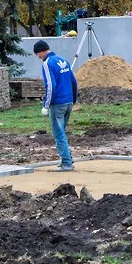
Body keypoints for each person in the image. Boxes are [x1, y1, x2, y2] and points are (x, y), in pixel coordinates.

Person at [33, 39, 78, 171]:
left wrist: (46, 105)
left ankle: (66, 163)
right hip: (68, 101)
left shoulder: (47, 63)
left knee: (58, 134)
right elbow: (73, 81)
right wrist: (73, 99)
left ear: (42, 51)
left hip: (57, 103)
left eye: (38, 54)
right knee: (62, 132)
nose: (38, 57)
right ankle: (68, 157)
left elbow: (51, 85)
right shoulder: (63, 60)